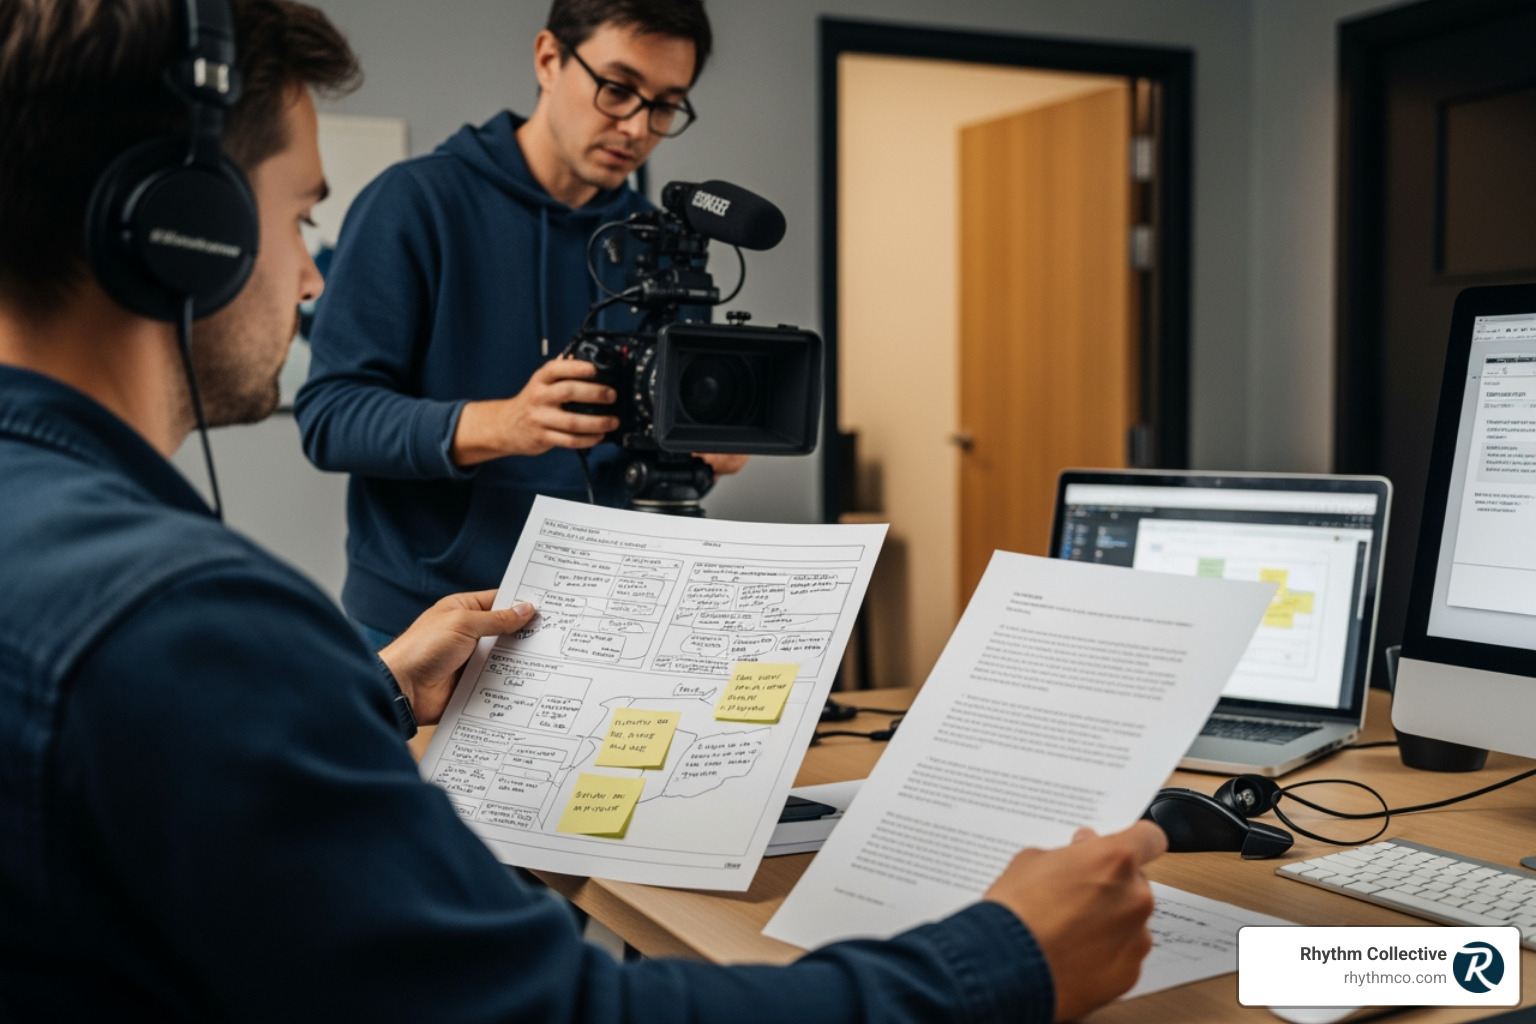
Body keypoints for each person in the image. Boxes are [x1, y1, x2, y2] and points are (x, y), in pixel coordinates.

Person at [0, 1, 1166, 1021]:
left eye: (668, 107)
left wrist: (675, 442)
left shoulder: (652, 229)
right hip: (460, 634)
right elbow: (330, 414)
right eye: (302, 219)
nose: (311, 275)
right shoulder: (188, 614)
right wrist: (1002, 961)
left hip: (538, 650)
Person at [294, 0, 748, 650]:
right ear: (548, 59)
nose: (637, 127)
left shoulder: (666, 250)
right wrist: (502, 425)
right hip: (423, 625)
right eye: (618, 89)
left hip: (603, 620)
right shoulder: (413, 204)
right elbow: (331, 418)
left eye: (666, 105)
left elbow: (661, 446)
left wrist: (708, 441)